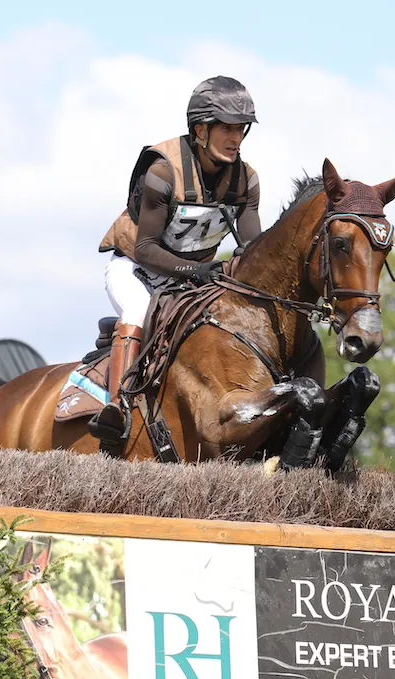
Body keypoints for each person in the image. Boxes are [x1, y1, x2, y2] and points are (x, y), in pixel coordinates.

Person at [87, 75, 263, 447]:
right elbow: (146, 248)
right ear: (201, 130)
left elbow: (252, 249)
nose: (236, 138)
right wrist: (198, 270)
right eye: (227, 128)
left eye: (240, 129)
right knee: (138, 310)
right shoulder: (163, 172)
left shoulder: (245, 181)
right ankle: (117, 408)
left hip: (189, 281)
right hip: (136, 270)